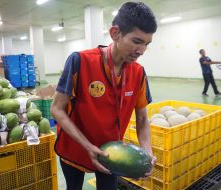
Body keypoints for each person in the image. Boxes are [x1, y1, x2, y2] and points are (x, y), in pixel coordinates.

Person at [51, 2, 157, 190]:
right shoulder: (80, 61)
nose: (141, 51)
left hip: (111, 153)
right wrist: (87, 146)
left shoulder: (138, 73)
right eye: (137, 41)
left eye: (147, 44)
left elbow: (142, 118)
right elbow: (57, 109)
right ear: (115, 34)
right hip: (74, 147)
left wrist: (147, 152)